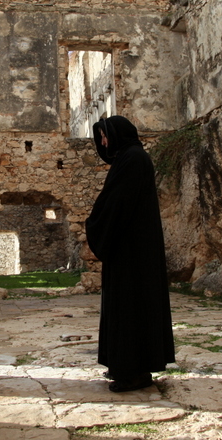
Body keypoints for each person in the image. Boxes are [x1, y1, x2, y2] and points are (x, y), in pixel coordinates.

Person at [85, 115, 175, 392]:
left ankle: (133, 372)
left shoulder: (133, 158)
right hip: (130, 247)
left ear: (118, 134)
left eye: (105, 135)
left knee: (130, 308)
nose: (103, 142)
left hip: (132, 250)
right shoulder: (130, 158)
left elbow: (118, 202)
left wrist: (96, 223)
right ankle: (127, 366)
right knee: (128, 307)